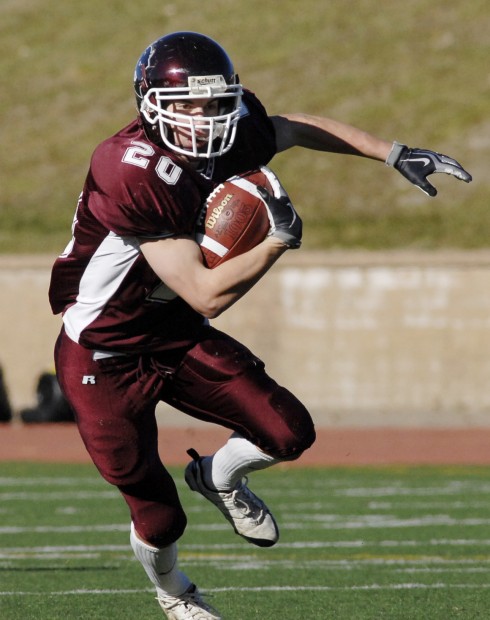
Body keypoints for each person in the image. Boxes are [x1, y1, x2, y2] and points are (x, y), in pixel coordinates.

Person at [48, 31, 472, 619]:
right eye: (188, 107)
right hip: (104, 350)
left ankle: (217, 477)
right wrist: (277, 240)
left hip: (173, 333)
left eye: (215, 103)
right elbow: (205, 292)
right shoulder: (130, 167)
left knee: (288, 431)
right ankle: (175, 595)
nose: (205, 119)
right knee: (159, 514)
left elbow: (291, 127)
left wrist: (392, 152)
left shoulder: (230, 125)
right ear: (149, 104)